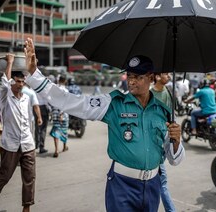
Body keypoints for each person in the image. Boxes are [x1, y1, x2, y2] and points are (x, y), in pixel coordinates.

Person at [24, 38, 185, 211]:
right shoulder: (114, 103)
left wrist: (176, 141)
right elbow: (71, 101)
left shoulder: (163, 111)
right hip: (122, 186)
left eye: (138, 77)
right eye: (129, 76)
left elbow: (174, 159)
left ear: (151, 77)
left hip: (153, 186)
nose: (131, 81)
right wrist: (35, 75)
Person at [0, 54, 36, 212]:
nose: (20, 84)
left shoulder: (26, 99)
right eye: (17, 81)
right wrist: (11, 62)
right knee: (4, 175)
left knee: (30, 177)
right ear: (12, 82)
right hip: (11, 144)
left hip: (27, 143)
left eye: (22, 81)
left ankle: (26, 207)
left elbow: (29, 119)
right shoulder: (5, 97)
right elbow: (5, 84)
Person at [150, 72, 176, 212]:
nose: (170, 76)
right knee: (162, 182)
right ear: (158, 77)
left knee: (159, 181)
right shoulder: (149, 94)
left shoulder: (169, 91)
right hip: (153, 142)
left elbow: (171, 115)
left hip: (164, 140)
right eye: (166, 74)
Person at [49, 75, 69, 158]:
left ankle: (56, 149)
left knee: (56, 130)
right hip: (63, 114)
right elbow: (65, 103)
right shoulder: (66, 90)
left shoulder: (54, 89)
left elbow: (51, 101)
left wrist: (52, 112)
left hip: (55, 113)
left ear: (58, 80)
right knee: (64, 130)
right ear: (65, 81)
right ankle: (64, 146)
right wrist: (61, 113)